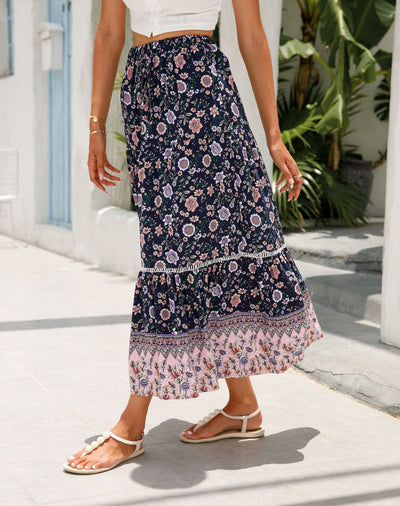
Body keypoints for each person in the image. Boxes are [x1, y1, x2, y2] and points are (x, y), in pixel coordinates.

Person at [63, 0, 323, 475]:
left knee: (185, 253)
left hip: (203, 95)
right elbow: (108, 34)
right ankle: (242, 404)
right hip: (145, 100)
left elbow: (251, 37)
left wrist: (274, 137)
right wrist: (96, 126)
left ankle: (132, 424)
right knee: (182, 251)